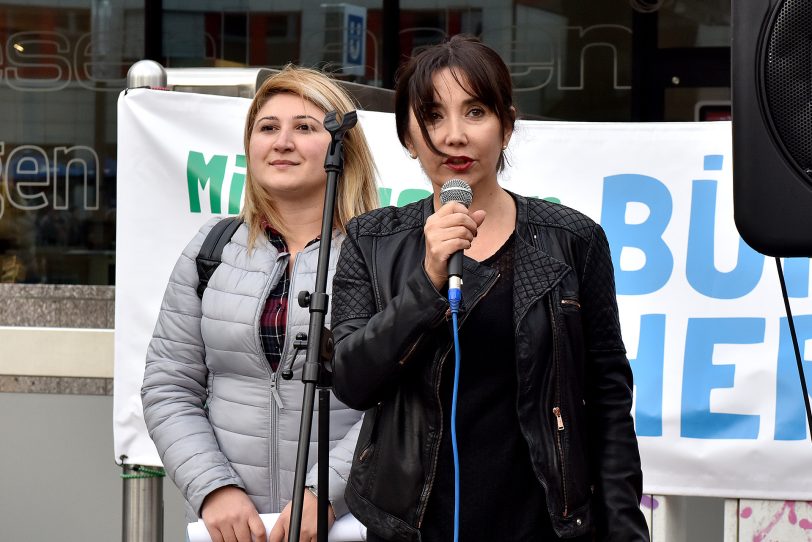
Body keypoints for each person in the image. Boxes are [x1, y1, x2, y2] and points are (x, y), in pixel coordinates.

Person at [330, 35, 650, 542]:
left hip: (542, 523)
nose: (455, 136)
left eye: (475, 111)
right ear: (408, 139)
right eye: (433, 116)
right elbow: (351, 379)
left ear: (507, 126)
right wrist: (428, 280)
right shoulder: (371, 240)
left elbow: (608, 399)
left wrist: (626, 532)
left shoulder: (572, 239)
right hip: (413, 526)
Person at [141, 65, 379, 542]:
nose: (282, 141)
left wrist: (323, 496)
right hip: (232, 528)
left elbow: (398, 401)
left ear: (342, 148)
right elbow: (169, 387)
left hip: (345, 523)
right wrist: (214, 490)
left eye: (305, 127)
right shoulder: (211, 248)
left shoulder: (382, 256)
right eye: (268, 127)